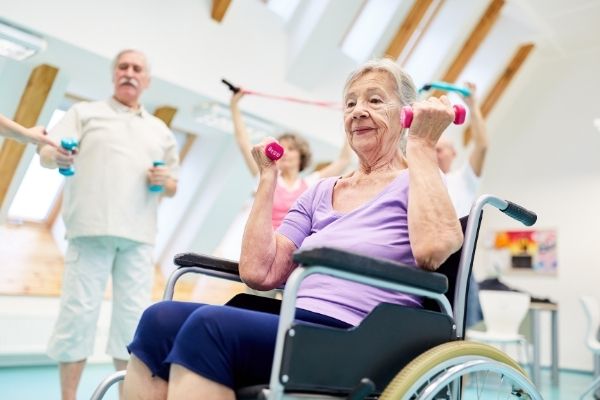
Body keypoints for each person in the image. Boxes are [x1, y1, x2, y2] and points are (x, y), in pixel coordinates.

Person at [122, 58, 463, 400]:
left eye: (374, 100)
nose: (358, 111)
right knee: (159, 320)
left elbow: (436, 249)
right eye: (350, 103)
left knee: (209, 328)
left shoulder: (417, 179)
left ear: (406, 114)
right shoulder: (319, 191)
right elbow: (259, 272)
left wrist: (421, 144)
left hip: (359, 336)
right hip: (297, 321)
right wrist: (266, 179)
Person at [38, 49, 180, 400]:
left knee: (132, 325)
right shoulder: (83, 113)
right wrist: (56, 155)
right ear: (113, 74)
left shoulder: (160, 130)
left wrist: (164, 179)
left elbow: (174, 186)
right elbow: (45, 153)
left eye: (137, 69)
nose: (129, 73)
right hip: (89, 231)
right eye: (123, 67)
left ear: (147, 80)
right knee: (77, 319)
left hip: (138, 237)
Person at [214, 90, 353, 261]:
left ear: (301, 156)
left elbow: (343, 160)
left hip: (289, 250)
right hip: (260, 249)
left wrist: (349, 116)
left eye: (292, 149)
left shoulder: (309, 183)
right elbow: (243, 143)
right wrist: (234, 105)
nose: (285, 152)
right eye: (282, 147)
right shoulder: (266, 176)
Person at [435, 82, 488, 328]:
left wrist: (473, 104)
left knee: (460, 330)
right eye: (433, 149)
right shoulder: (421, 181)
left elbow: (482, 145)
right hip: (432, 262)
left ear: (454, 153)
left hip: (460, 265)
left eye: (442, 149)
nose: (437, 153)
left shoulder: (463, 179)